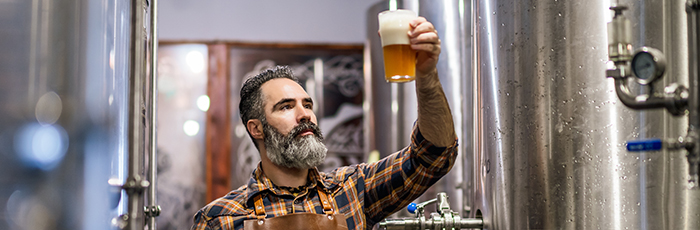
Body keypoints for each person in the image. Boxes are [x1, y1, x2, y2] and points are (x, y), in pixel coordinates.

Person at [192, 16, 457, 230]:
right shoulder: (221, 219)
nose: (304, 114)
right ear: (256, 128)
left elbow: (432, 157)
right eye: (286, 106)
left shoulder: (353, 188)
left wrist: (426, 74)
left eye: (307, 105)